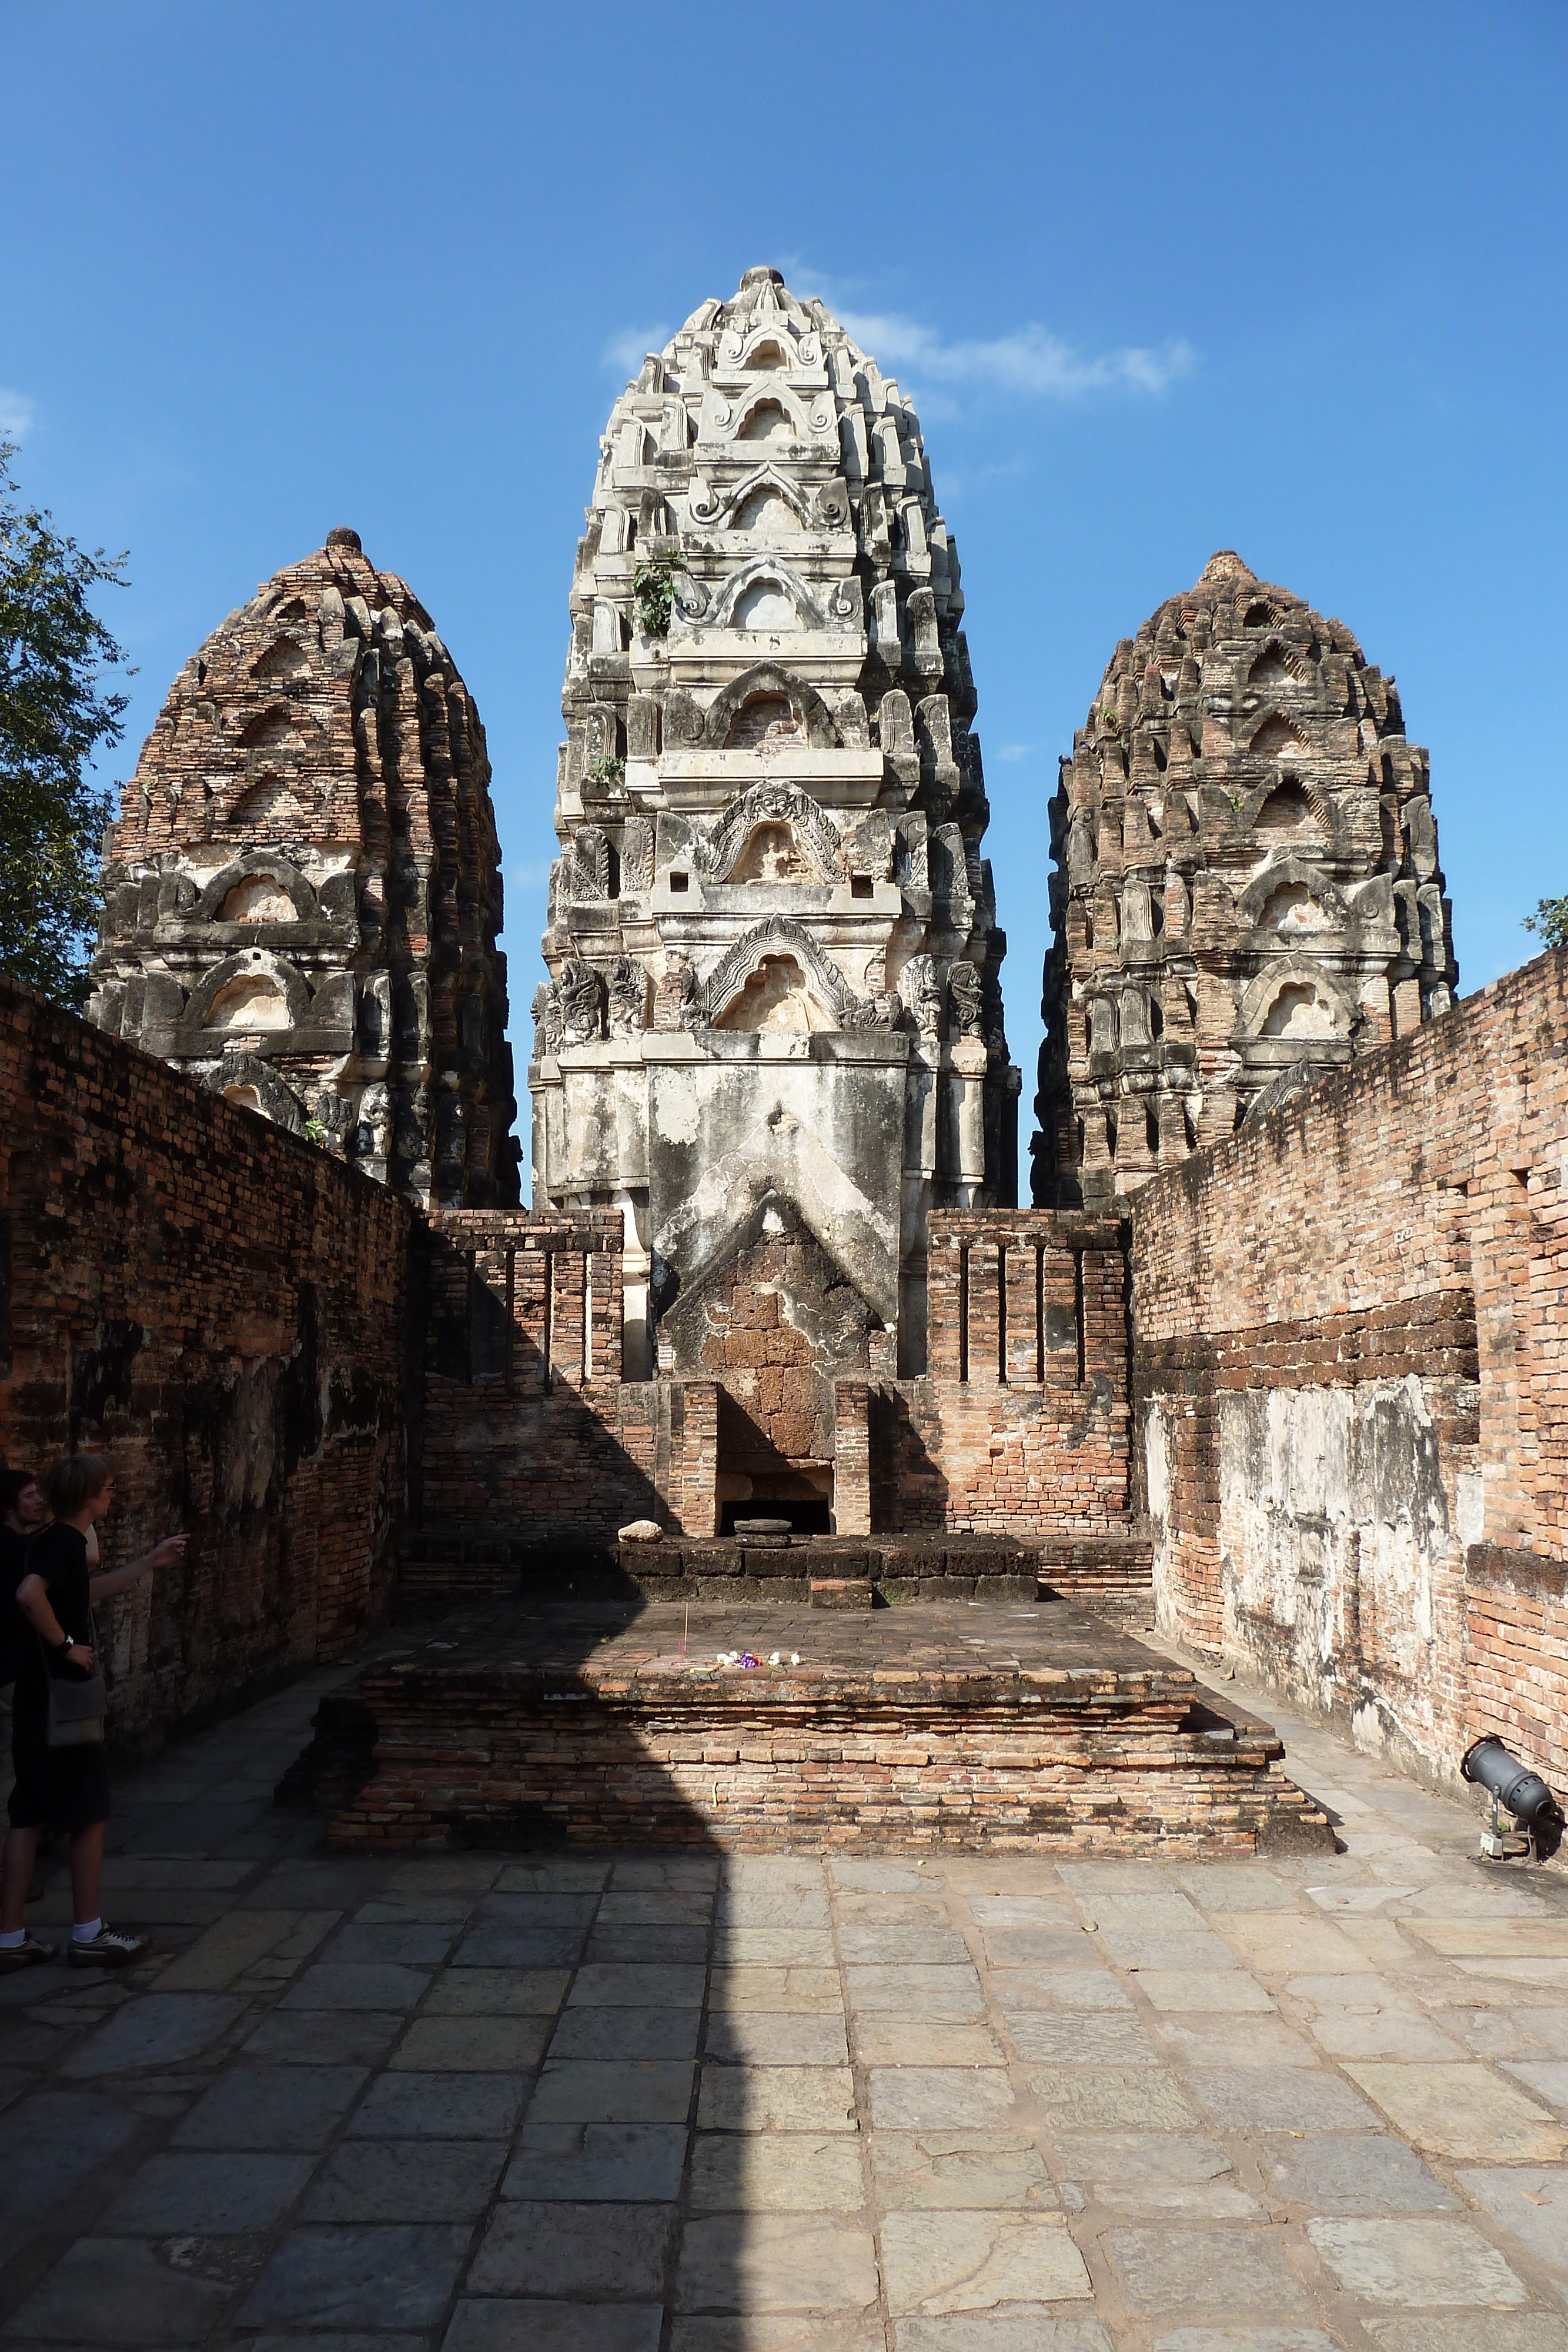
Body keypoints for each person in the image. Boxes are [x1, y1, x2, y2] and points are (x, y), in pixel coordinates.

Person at [0, 1455, 188, 1972]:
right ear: (87, 1495)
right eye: (107, 1489)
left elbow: (82, 1596)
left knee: (29, 1813)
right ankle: (88, 1931)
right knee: (88, 1810)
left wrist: (149, 1562)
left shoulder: (51, 1543)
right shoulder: (62, 1539)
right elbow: (28, 1595)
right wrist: (65, 1646)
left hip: (38, 1695)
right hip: (60, 1693)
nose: (112, 1497)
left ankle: (10, 1937)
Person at [0, 1468, 48, 1692]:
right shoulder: (25, 1549)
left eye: (37, 1493)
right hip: (12, 1669)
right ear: (8, 1507)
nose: (40, 1500)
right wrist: (67, 1645)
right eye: (29, 1496)